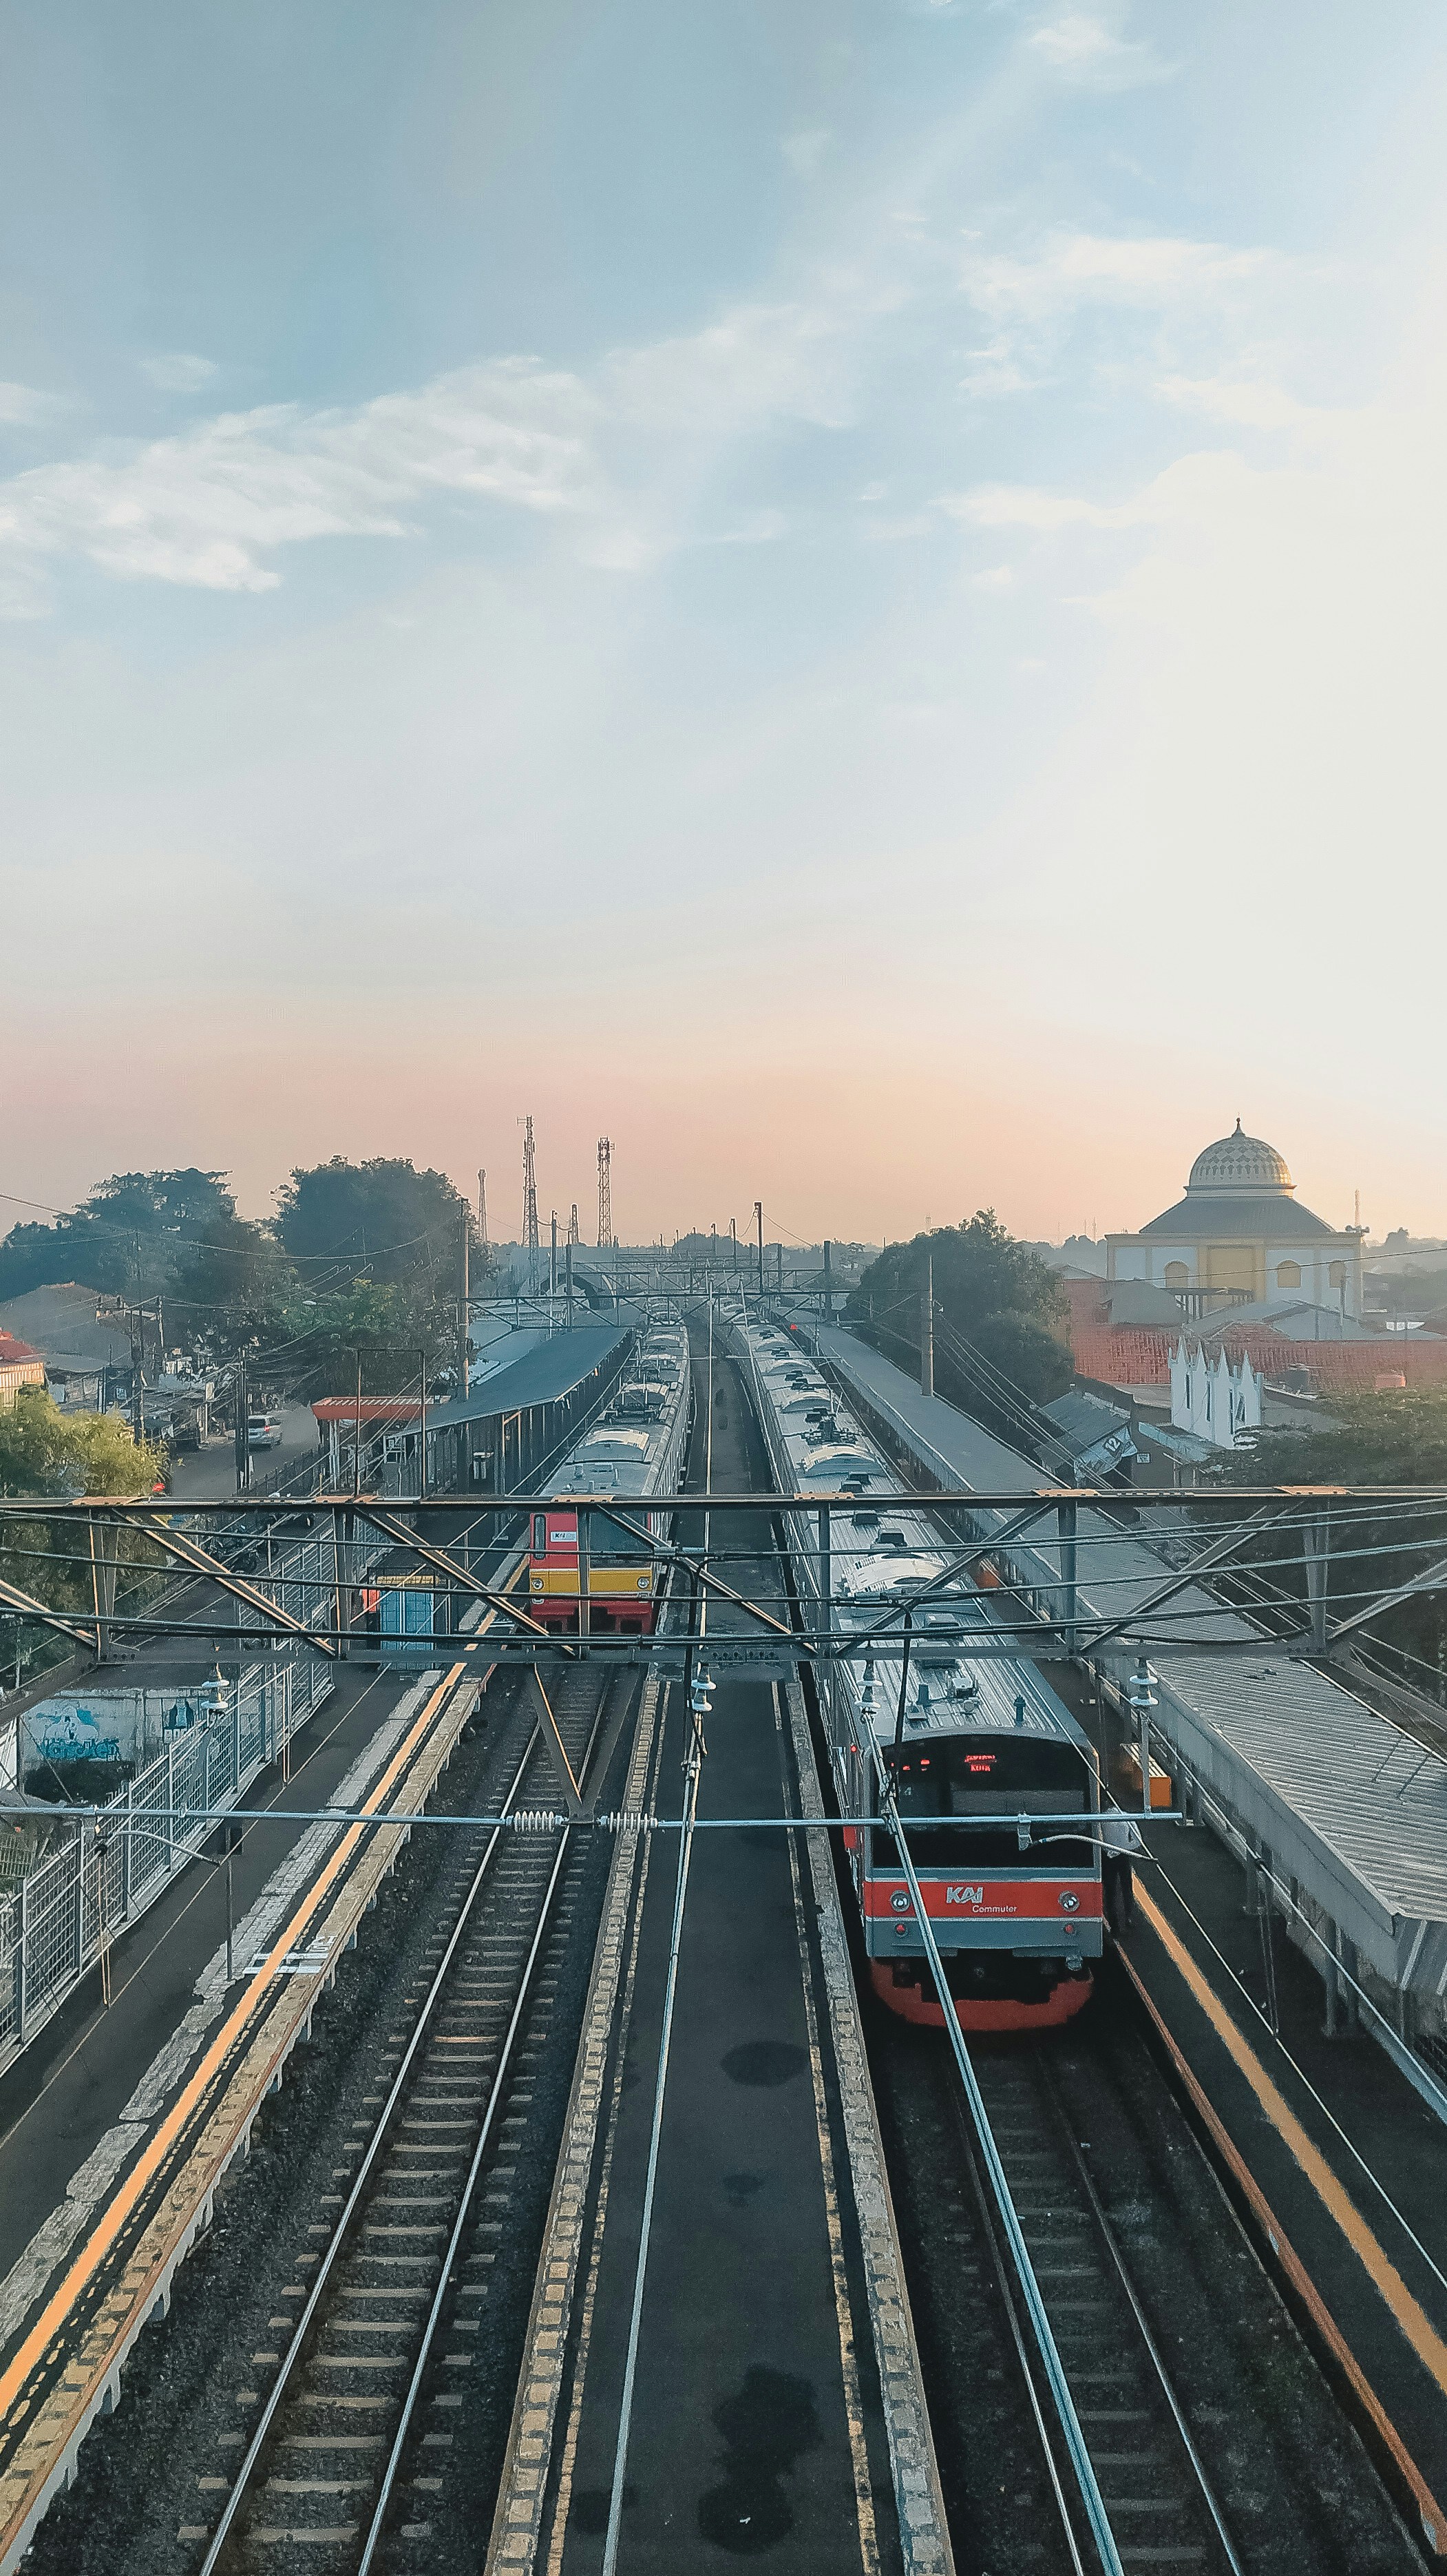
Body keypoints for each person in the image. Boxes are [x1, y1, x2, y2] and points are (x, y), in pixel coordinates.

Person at [1100, 1809, 1144, 1936]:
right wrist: (1123, 1849)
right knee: (1127, 1887)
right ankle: (1128, 1917)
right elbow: (1137, 1840)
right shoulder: (1126, 1817)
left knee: (1110, 1891)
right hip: (1123, 1856)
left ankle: (1115, 1927)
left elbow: (1097, 1838)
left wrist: (1109, 1850)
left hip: (1107, 1858)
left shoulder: (1099, 1819)